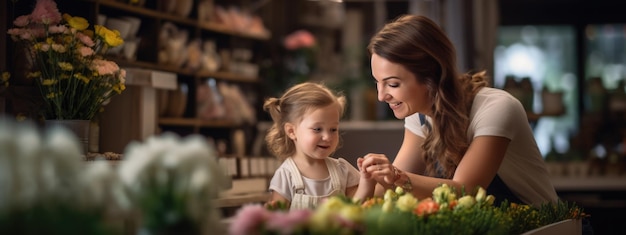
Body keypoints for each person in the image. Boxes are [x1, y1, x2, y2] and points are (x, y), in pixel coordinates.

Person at [358, 14, 559, 208]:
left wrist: (396, 176)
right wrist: (355, 180)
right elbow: (388, 189)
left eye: (392, 84)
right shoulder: (417, 116)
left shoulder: (496, 108)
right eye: (378, 83)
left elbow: (465, 190)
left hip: (545, 227)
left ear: (431, 75)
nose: (381, 96)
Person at [264, 82, 375, 210]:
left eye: (333, 129)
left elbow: (356, 207)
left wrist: (367, 181)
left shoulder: (342, 170)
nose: (327, 137)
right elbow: (277, 220)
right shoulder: (285, 175)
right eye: (317, 129)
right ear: (291, 131)